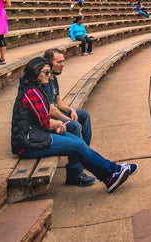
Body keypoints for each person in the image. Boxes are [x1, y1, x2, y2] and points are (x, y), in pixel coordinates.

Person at [10, 56, 136, 191]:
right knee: (78, 145)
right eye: (46, 72)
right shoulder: (32, 92)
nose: (49, 75)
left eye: (49, 72)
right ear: (36, 73)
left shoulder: (36, 88)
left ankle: (109, 179)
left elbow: (41, 119)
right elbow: (45, 122)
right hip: (28, 143)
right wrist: (58, 123)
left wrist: (58, 125)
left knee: (78, 143)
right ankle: (113, 170)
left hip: (37, 134)